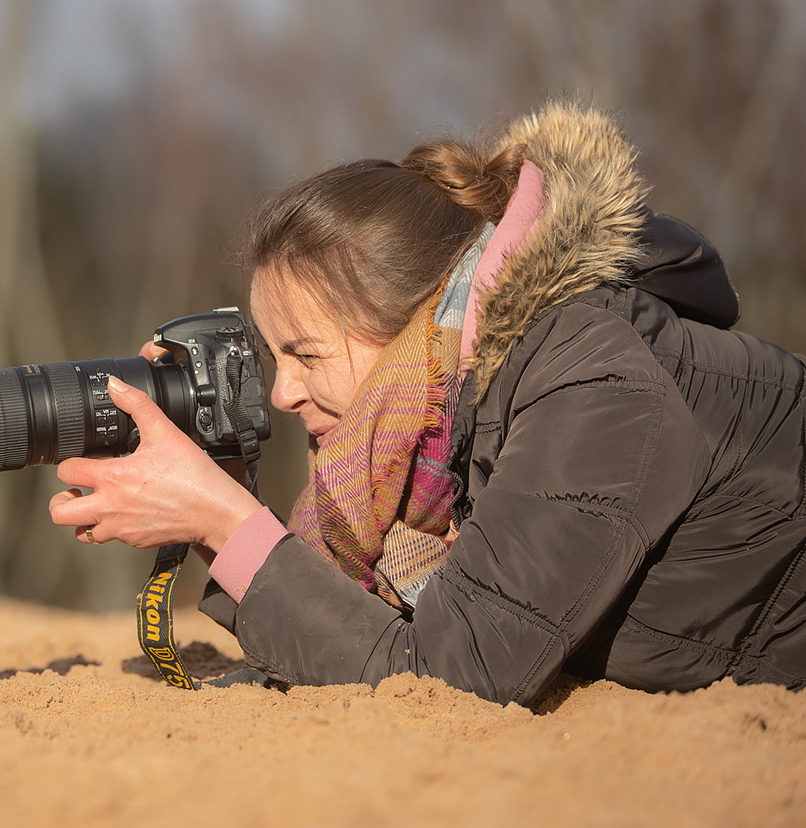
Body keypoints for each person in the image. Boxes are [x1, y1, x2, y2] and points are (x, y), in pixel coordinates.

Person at [49, 100, 806, 706]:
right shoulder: (450, 430)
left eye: (306, 354)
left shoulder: (586, 377)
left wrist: (227, 521)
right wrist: (222, 499)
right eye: (273, 355)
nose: (281, 393)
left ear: (410, 320)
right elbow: (352, 631)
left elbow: (447, 675)